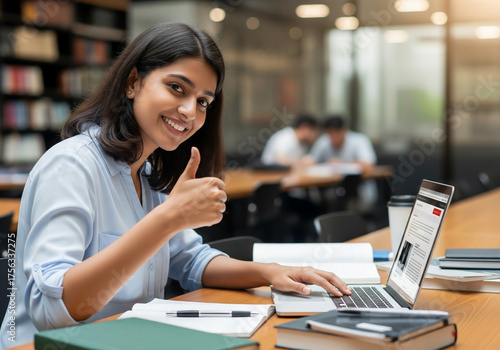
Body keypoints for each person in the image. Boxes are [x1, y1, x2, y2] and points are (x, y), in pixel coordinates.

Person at [0, 23, 351, 348]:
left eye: (203, 102)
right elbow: (56, 311)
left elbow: (191, 260)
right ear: (133, 82)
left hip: (122, 340)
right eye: (176, 88)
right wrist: (169, 218)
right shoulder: (72, 166)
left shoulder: (149, 171)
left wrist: (270, 272)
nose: (189, 111)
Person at [310, 115, 378, 211]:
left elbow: (369, 164)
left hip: (359, 192)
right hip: (331, 191)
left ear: (345, 130)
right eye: (330, 133)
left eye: (336, 132)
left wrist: (342, 163)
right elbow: (311, 161)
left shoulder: (359, 140)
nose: (333, 137)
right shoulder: (324, 141)